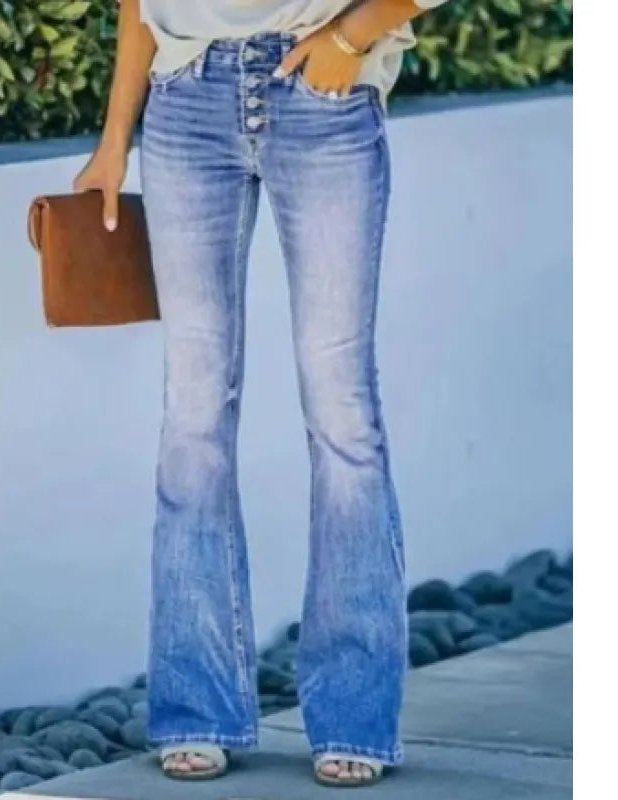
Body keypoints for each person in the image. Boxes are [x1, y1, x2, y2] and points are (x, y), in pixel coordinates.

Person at [74, 0, 450, 788]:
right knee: (193, 416)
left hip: (321, 95)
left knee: (342, 412)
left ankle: (353, 716)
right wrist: (114, 140)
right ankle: (197, 708)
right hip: (184, 105)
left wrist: (352, 37)